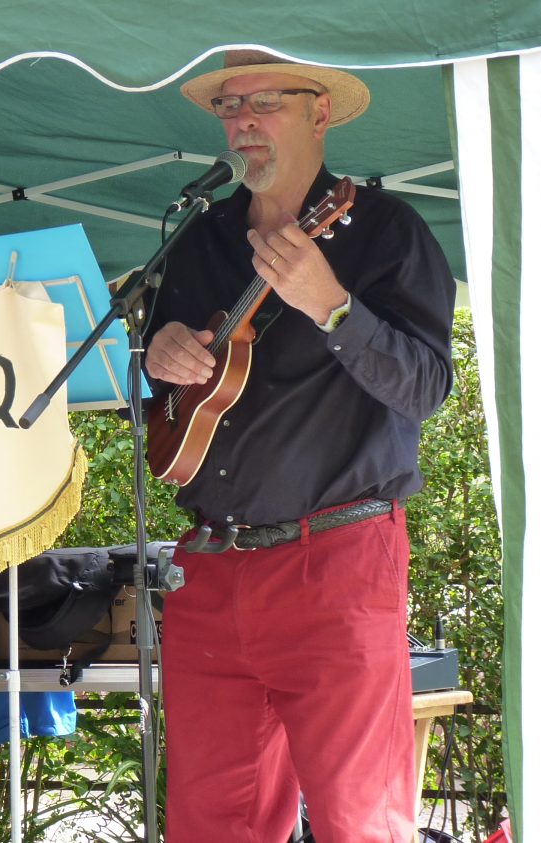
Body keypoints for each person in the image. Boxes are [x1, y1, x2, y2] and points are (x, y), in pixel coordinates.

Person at [144, 51, 456, 841]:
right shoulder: (198, 240)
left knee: (360, 819)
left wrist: (335, 308)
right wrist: (160, 356)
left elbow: (426, 387)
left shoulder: (386, 233)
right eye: (228, 107)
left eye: (262, 104)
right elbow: (160, 396)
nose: (241, 121)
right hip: (211, 565)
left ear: (320, 112)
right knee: (210, 824)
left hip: (336, 559)